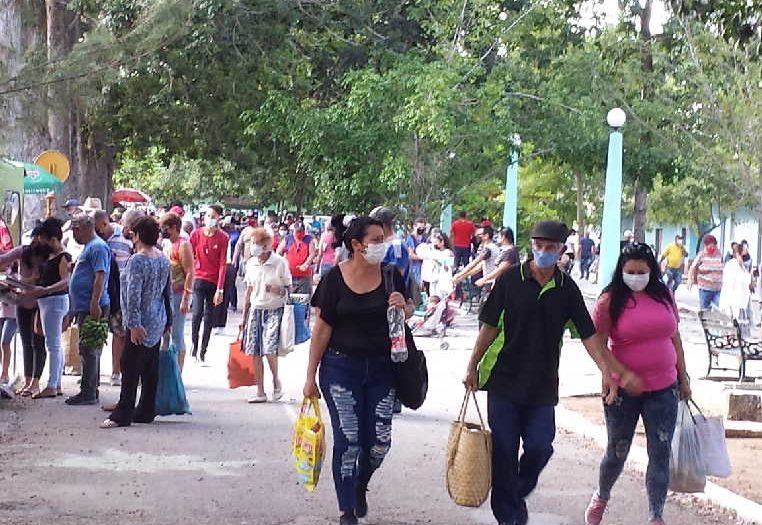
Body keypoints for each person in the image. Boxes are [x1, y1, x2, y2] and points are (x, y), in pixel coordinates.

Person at [463, 220, 642, 525]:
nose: (543, 252)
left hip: (542, 386)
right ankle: (510, 516)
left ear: (561, 251)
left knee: (540, 447)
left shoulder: (566, 289)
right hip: (503, 380)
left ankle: (513, 493)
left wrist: (609, 373)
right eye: (538, 246)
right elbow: (489, 327)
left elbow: (589, 337)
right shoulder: (510, 281)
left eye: (551, 248)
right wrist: (472, 366)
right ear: (531, 246)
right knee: (504, 449)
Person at [303, 216, 413, 525]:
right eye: (376, 240)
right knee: (349, 439)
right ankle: (346, 508)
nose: (382, 245)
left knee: (379, 443)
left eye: (383, 238)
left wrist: (403, 308)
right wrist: (310, 376)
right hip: (340, 368)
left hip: (382, 368)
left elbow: (409, 310)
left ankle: (359, 483)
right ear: (356, 244)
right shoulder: (333, 279)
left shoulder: (392, 276)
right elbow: (322, 329)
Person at [584, 243, 691, 525]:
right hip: (622, 391)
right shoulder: (610, 300)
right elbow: (599, 344)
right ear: (621, 271)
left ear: (651, 271)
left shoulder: (664, 295)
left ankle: (656, 515)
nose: (635, 276)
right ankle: (602, 494)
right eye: (629, 271)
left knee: (660, 451)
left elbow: (675, 338)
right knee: (617, 451)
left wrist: (684, 377)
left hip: (664, 386)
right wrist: (613, 377)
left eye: (641, 271)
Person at [101, 216, 171, 428]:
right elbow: (166, 293)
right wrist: (168, 319)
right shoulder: (163, 258)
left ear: (138, 235)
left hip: (141, 320)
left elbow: (133, 294)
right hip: (158, 318)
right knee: (150, 368)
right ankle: (146, 409)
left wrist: (133, 323)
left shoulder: (138, 260)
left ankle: (123, 412)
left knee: (129, 366)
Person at [240, 228, 292, 403]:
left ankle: (276, 381)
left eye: (257, 244)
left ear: (267, 246)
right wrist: (244, 317)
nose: (254, 247)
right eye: (252, 243)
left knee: (269, 349)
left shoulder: (279, 263)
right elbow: (248, 290)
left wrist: (278, 290)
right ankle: (260, 391)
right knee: (255, 351)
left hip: (274, 309)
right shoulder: (251, 264)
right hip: (256, 309)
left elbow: (288, 288)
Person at [65, 214, 111, 406]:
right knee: (88, 348)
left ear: (84, 228)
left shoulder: (98, 247)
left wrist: (94, 302)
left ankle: (89, 391)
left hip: (93, 305)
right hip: (84, 305)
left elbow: (100, 276)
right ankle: (90, 387)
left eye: (76, 229)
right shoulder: (90, 247)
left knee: (89, 349)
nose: (74, 234)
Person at [25, 218, 72, 399]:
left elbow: (65, 281)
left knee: (52, 344)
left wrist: (46, 289)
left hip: (54, 301)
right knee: (54, 344)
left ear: (53, 239)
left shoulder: (63, 257)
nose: (40, 242)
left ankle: (52, 384)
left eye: (43, 239)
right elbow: (40, 278)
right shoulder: (50, 257)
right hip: (48, 301)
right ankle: (55, 383)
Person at [0, 241, 50, 396]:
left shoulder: (46, 262)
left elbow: (38, 283)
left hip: (39, 304)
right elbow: (4, 259)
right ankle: (28, 381)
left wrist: (21, 282)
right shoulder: (22, 252)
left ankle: (36, 381)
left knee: (38, 343)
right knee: (26, 343)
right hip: (21, 303)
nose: (36, 261)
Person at [94, 209, 132, 386]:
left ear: (104, 224)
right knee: (98, 332)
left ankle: (116, 371)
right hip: (100, 293)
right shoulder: (95, 241)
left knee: (118, 333)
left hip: (119, 294)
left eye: (97, 228)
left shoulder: (124, 238)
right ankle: (94, 372)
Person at [189, 204, 229, 363]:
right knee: (197, 313)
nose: (210, 219)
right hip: (199, 278)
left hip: (213, 281)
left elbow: (222, 264)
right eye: (207, 216)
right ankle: (194, 344)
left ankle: (203, 349)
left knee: (209, 317)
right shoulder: (196, 234)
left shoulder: (223, 238)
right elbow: (189, 255)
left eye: (213, 216)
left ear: (219, 218)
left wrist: (220, 288)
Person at [160, 212, 194, 370]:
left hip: (179, 294)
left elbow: (190, 272)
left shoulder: (183, 245)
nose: (163, 231)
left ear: (174, 228)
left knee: (177, 335)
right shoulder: (168, 245)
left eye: (165, 228)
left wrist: (186, 297)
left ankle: (178, 372)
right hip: (168, 294)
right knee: (166, 333)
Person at [453, 225, 500, 315]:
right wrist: (462, 276)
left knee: (484, 313)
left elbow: (475, 262)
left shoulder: (488, 249)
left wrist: (459, 275)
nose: (477, 236)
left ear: (486, 236)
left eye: (479, 234)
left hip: (490, 283)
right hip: (489, 282)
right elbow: (479, 267)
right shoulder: (491, 248)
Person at [719, 244, 753, 333]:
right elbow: (745, 281)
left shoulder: (729, 265)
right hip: (735, 304)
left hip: (728, 302)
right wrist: (742, 267)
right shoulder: (736, 266)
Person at [277, 222, 316, 296]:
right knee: (289, 300)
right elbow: (278, 252)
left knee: (303, 300)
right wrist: (282, 265)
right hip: (290, 275)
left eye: (301, 231)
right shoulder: (288, 239)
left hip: (304, 276)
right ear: (293, 231)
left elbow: (312, 253)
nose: (299, 233)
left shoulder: (308, 239)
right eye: (297, 231)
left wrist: (306, 264)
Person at [687, 234, 724, 311]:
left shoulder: (719, 254)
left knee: (718, 309)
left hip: (717, 288)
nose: (712, 247)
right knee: (704, 311)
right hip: (705, 288)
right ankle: (705, 323)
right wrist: (690, 280)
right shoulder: (701, 255)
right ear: (706, 245)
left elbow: (723, 266)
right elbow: (692, 267)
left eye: (714, 245)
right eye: (710, 246)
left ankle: (714, 323)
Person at [419, 230, 454, 299]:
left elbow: (449, 267)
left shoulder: (447, 252)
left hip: (444, 282)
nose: (434, 245)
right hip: (434, 280)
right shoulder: (432, 252)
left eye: (436, 243)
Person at [405, 217, 427, 286]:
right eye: (419, 228)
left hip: (424, 267)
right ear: (414, 226)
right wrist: (423, 257)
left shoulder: (424, 238)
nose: (421, 230)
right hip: (414, 268)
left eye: (423, 228)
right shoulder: (410, 239)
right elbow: (410, 255)